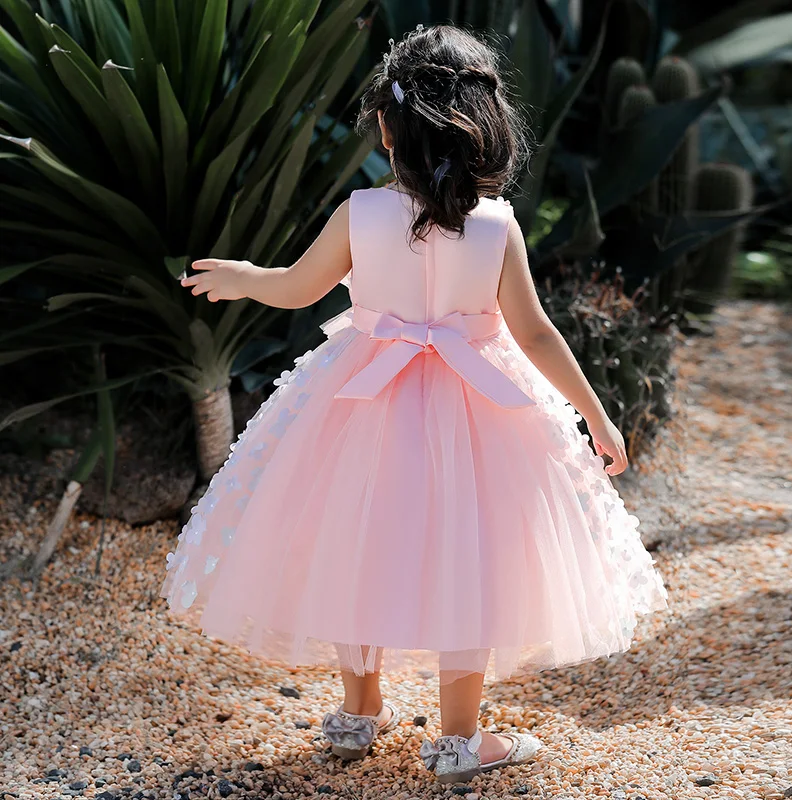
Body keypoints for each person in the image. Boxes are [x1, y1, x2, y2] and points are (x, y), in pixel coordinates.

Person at [161, 24, 670, 785]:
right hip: (480, 407)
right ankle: (460, 739)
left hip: (362, 402)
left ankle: (357, 713)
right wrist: (596, 414)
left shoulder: (360, 213)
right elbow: (533, 333)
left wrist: (244, 276)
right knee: (469, 555)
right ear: (483, 131)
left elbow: (299, 288)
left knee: (358, 538)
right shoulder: (496, 226)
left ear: (386, 129)